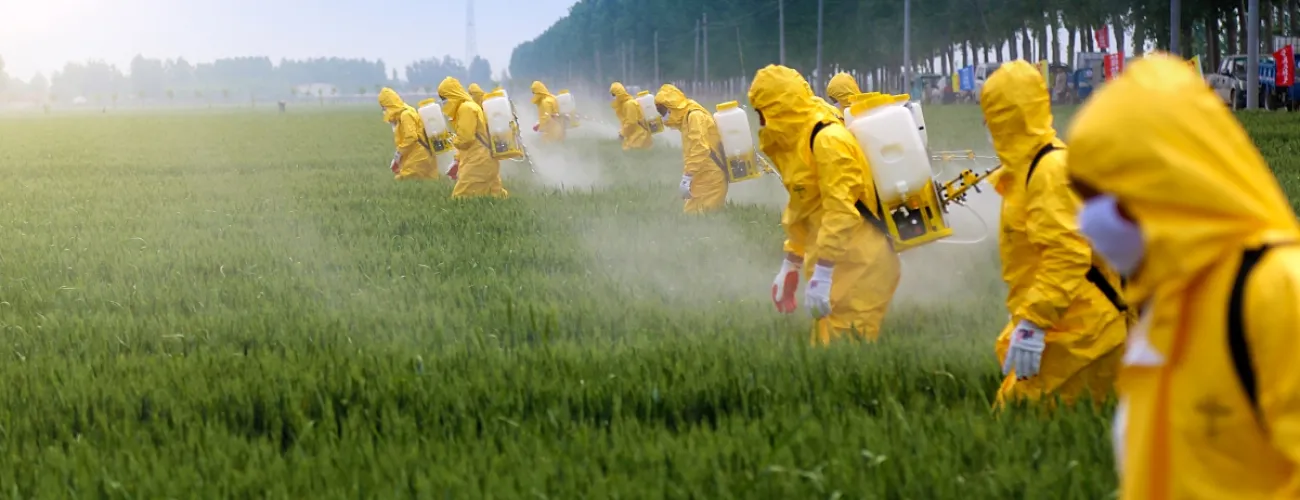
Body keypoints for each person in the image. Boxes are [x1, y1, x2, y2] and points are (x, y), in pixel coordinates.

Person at [1067, 53, 1300, 500]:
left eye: (1104, 194)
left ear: (1165, 183)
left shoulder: (1275, 291)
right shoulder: (1164, 308)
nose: (1089, 221)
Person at [979, 59, 1129, 406]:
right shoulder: (1029, 170)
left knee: (1018, 425)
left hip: (1083, 334)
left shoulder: (1048, 172)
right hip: (1066, 324)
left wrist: (1033, 321)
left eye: (991, 114)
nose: (986, 124)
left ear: (1007, 117)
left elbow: (1067, 254)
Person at [748, 65, 901, 345]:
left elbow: (841, 210)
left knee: (846, 361)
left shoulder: (828, 140)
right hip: (838, 266)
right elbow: (804, 208)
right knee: (826, 353)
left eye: (761, 112)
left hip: (860, 268)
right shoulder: (801, 144)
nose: (759, 121)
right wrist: (791, 263)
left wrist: (824, 270)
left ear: (779, 109)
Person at [654, 84, 728, 214]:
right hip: (702, 177)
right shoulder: (686, 119)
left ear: (672, 106)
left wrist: (687, 176)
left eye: (662, 111)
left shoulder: (694, 116)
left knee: (704, 219)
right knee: (691, 217)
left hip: (711, 178)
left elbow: (700, 149)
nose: (662, 116)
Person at [437, 77, 507, 198]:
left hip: (478, 161)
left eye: (444, 98)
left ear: (452, 94)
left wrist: (452, 139)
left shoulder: (466, 109)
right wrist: (457, 160)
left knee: (461, 198)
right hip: (484, 159)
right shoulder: (467, 107)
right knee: (495, 195)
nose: (443, 102)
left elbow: (466, 139)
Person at [378, 87, 438, 180]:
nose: (384, 111)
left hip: (420, 156)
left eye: (383, 107)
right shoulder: (403, 114)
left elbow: (411, 138)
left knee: (403, 180)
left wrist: (398, 154)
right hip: (419, 155)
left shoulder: (405, 115)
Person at [609, 82, 653, 150]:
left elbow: (631, 122)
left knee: (630, 152)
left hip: (640, 136)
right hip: (636, 135)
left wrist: (622, 134)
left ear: (619, 94)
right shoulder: (624, 104)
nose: (613, 97)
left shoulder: (629, 104)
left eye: (613, 95)